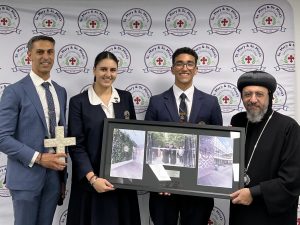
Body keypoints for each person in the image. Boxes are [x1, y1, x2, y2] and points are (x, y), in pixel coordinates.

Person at [145, 47, 223, 225]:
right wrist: (159, 180)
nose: (184, 68)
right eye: (179, 64)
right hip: (163, 188)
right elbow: (149, 146)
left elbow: (216, 145)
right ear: (172, 68)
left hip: (198, 189)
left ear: (196, 69)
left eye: (189, 64)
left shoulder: (211, 103)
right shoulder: (156, 102)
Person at [66, 51, 141, 225]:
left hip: (122, 181)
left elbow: (135, 135)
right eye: (103, 69)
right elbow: (76, 145)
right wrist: (93, 179)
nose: (108, 74)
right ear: (94, 70)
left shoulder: (125, 98)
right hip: (91, 181)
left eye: (113, 70)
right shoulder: (78, 102)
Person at [0, 35, 68, 225]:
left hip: (54, 179)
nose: (46, 57)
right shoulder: (14, 91)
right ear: (29, 55)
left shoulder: (60, 91)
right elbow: (2, 137)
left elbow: (60, 132)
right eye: (40, 52)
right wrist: (39, 158)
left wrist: (63, 176)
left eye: (50, 52)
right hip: (25, 178)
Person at [229, 71, 300, 225]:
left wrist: (254, 193)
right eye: (247, 94)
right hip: (240, 211)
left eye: (259, 94)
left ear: (270, 96)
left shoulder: (288, 127)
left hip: (271, 215)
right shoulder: (238, 121)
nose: (253, 99)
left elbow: (293, 179)